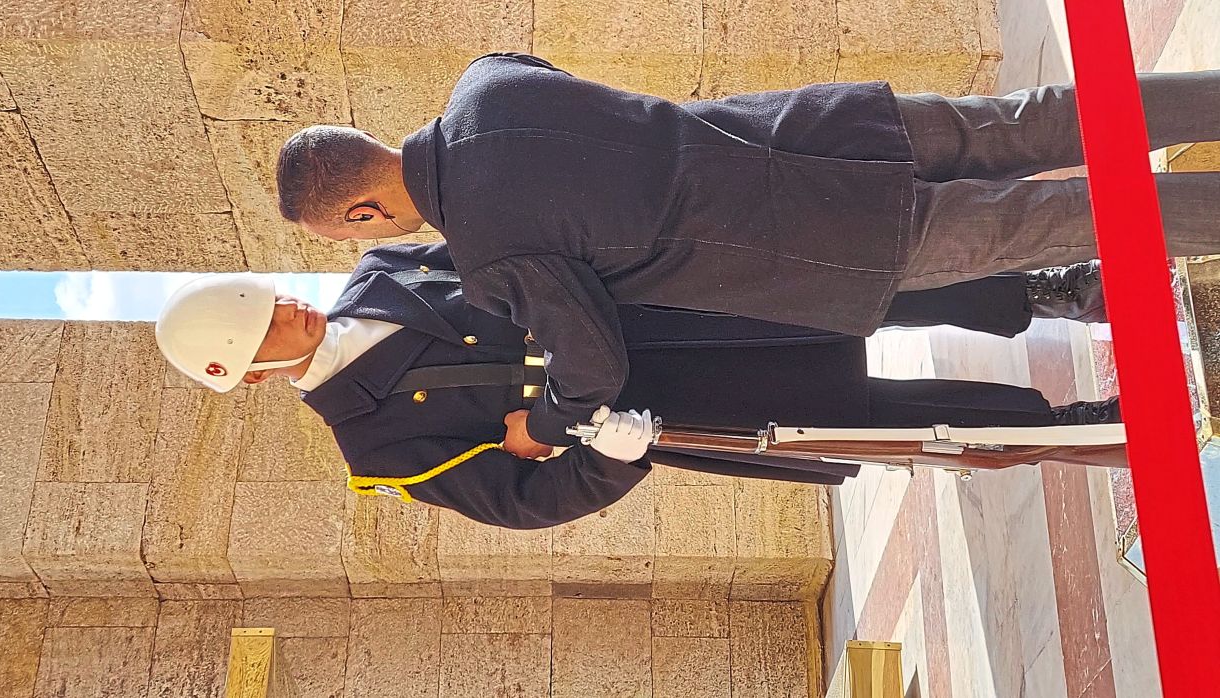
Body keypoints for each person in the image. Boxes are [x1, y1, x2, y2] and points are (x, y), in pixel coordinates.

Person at [272, 55, 1206, 453]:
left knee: (1085, 219)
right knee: (1042, 119)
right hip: (820, 130)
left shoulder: (490, 256)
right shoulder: (487, 81)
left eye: (353, 232)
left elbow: (593, 363)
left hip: (823, 239)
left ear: (361, 211)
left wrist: (548, 425)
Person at [155, 243, 1119, 530]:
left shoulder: (380, 272)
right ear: (253, 374)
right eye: (265, 326)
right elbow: (520, 501)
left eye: (269, 298)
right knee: (886, 422)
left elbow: (510, 255)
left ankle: (1052, 293)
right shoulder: (375, 446)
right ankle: (1079, 426)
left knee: (864, 290)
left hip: (662, 315)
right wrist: (609, 463)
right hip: (669, 407)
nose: (289, 310)